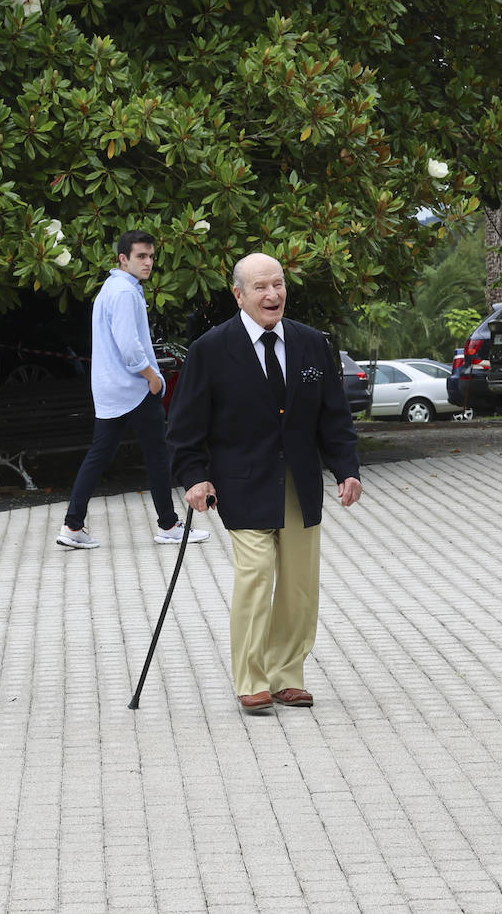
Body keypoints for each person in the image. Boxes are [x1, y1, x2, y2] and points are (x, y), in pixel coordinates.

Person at [167, 252, 362, 713]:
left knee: (299, 585)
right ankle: (252, 679)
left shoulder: (312, 343)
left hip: (299, 482)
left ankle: (286, 675)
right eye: (260, 287)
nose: (272, 295)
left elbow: (334, 416)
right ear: (239, 295)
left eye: (278, 285)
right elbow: (184, 424)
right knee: (256, 576)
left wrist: (347, 468)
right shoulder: (210, 350)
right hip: (242, 482)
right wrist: (194, 477)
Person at [55, 230, 208, 549]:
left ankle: (72, 526)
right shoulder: (124, 292)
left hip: (114, 391)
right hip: (134, 389)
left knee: (102, 456)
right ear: (123, 258)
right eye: (141, 256)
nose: (148, 262)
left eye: (151, 256)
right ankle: (168, 526)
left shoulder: (112, 288)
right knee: (156, 456)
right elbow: (129, 346)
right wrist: (153, 377)